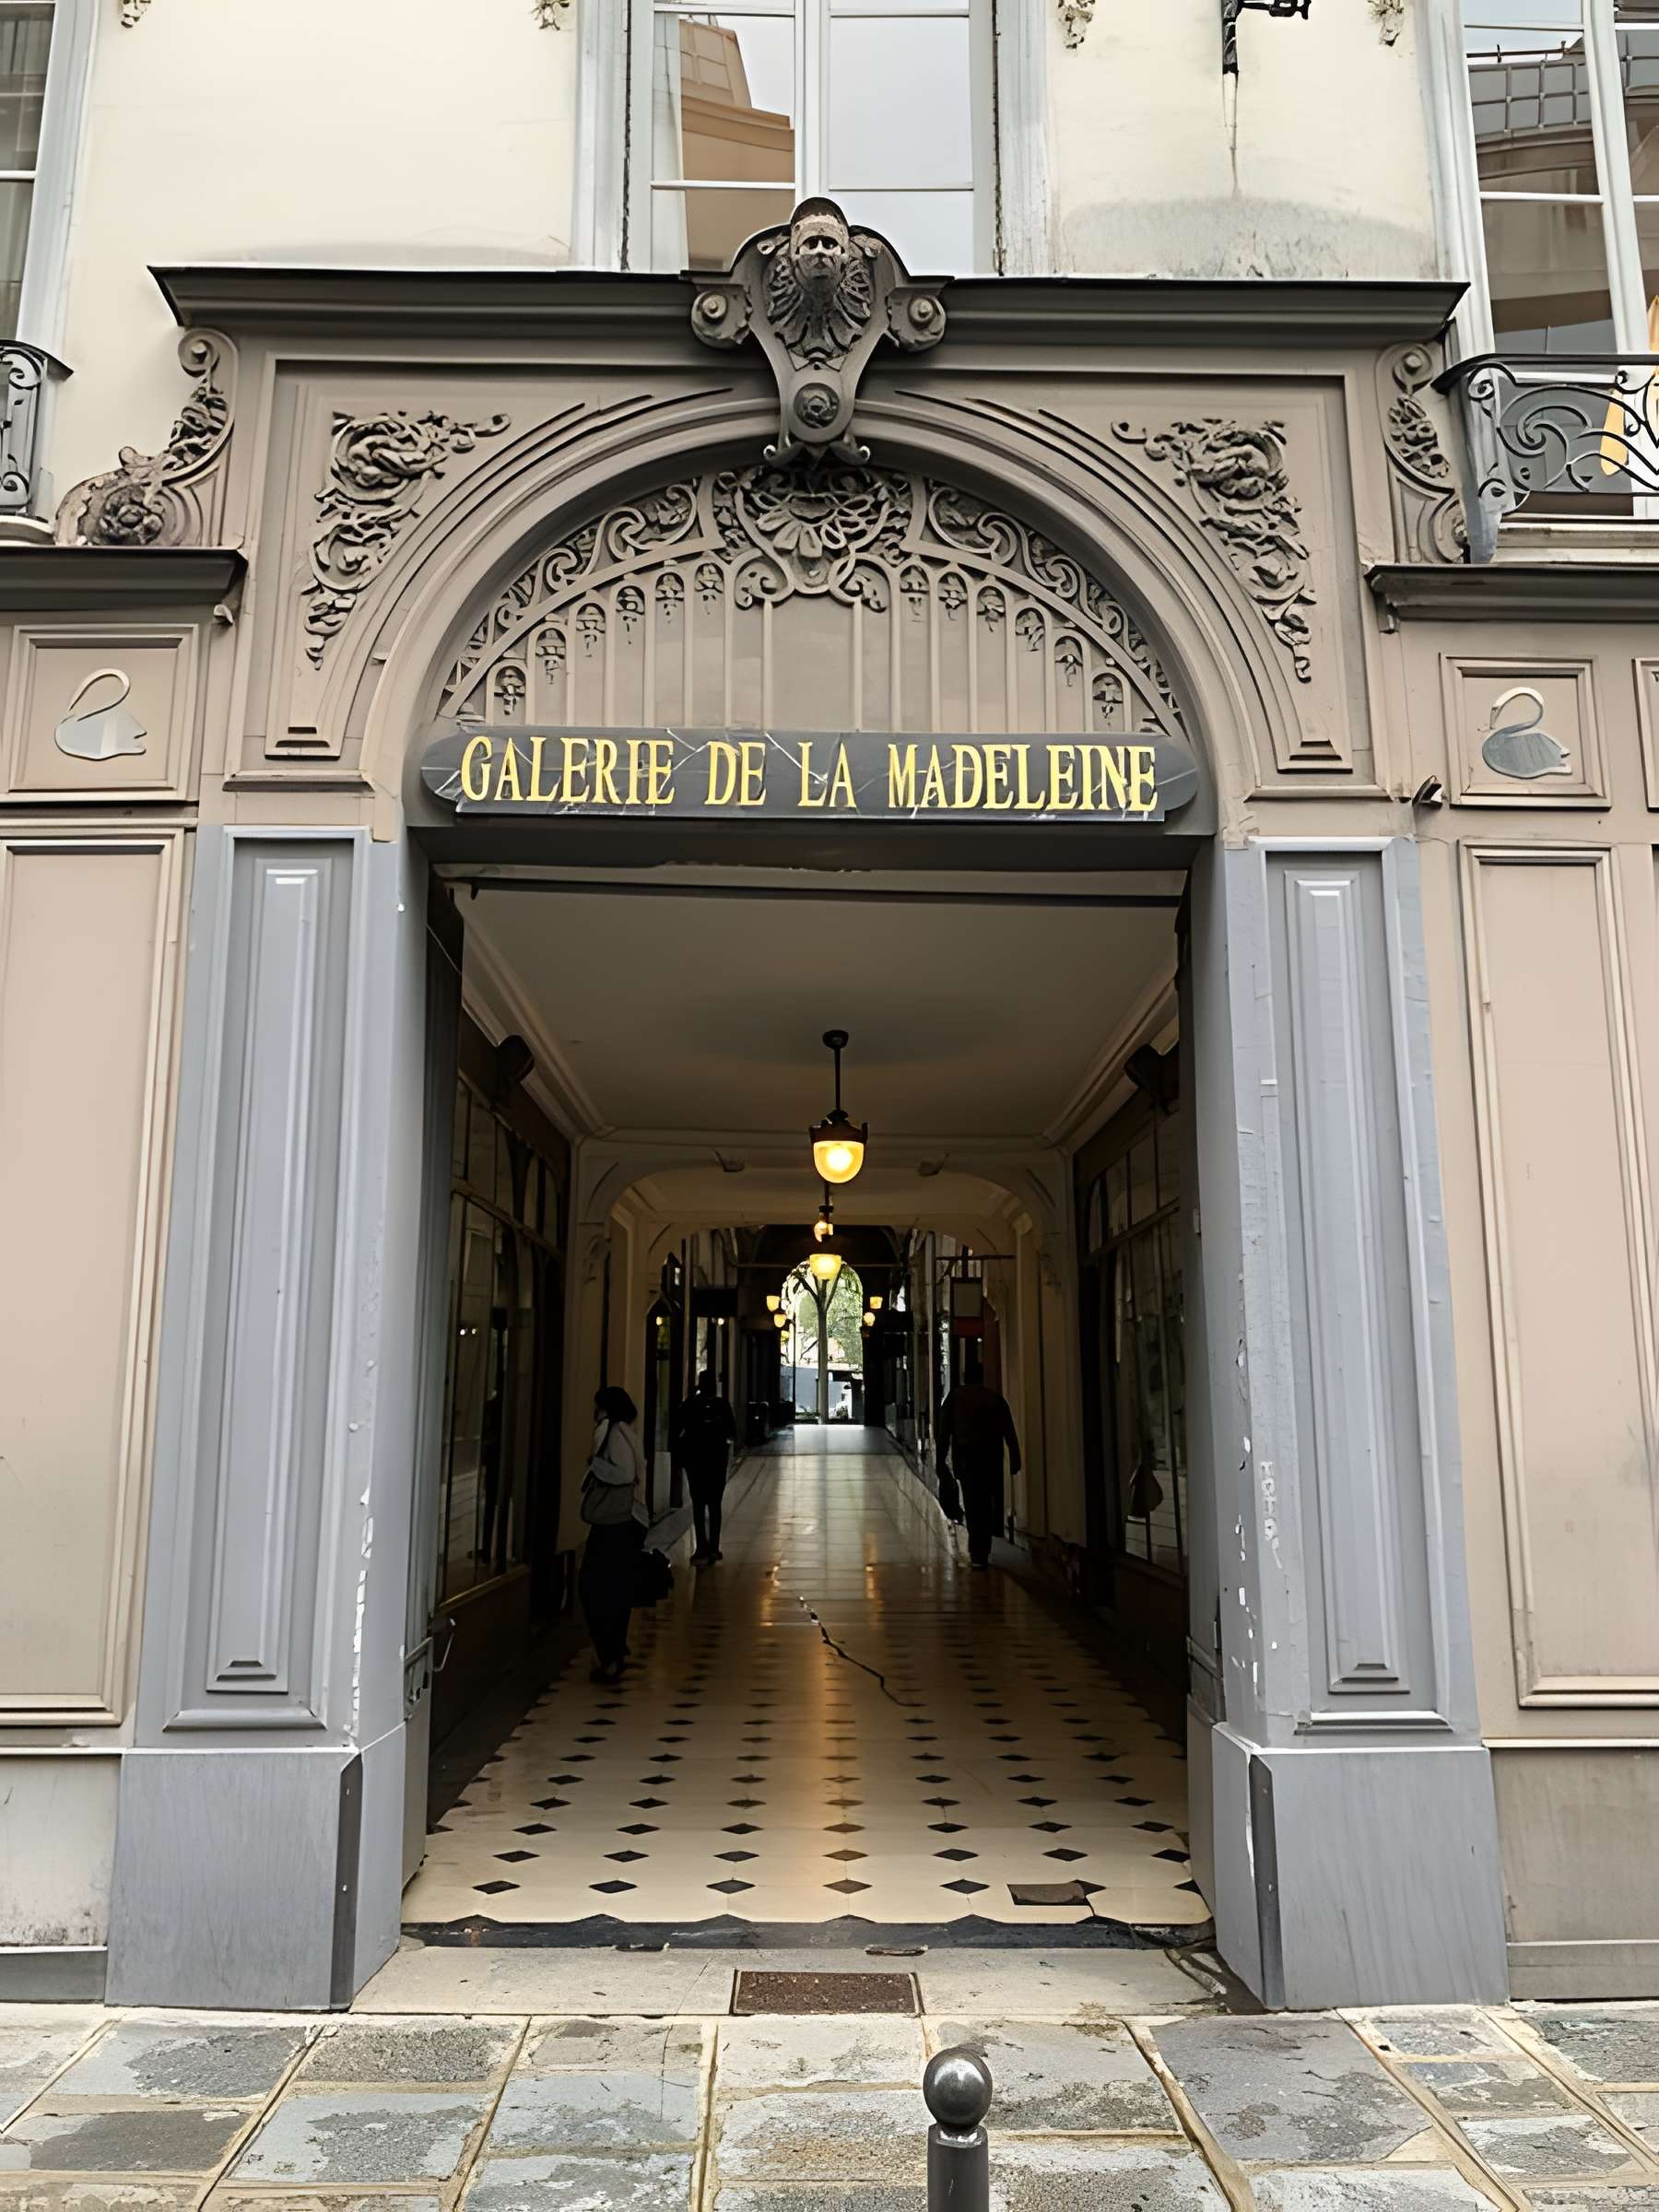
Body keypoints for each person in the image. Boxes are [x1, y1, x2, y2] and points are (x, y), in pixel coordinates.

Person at [579, 1385, 646, 1684]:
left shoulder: (613, 1431)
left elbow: (624, 1474)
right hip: (627, 1521)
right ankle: (614, 1651)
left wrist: (595, 1464)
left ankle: (611, 1655)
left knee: (595, 1586)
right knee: (614, 1587)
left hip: (616, 1521)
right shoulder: (627, 1431)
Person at [936, 1351, 1021, 1571]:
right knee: (986, 1502)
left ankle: (978, 1552)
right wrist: (1015, 1458)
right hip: (991, 1457)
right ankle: (984, 1547)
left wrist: (940, 1461)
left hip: (967, 1458)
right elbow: (1009, 1431)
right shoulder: (995, 1399)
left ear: (965, 1376)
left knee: (973, 1502)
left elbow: (944, 1432)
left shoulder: (955, 1398)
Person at [673, 1368, 738, 1563]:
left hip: (695, 1461)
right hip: (717, 1460)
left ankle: (700, 1546)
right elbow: (731, 1431)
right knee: (715, 1504)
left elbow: (677, 1428)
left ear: (699, 1385)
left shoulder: (689, 1405)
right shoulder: (722, 1405)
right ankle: (714, 1547)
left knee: (698, 1504)